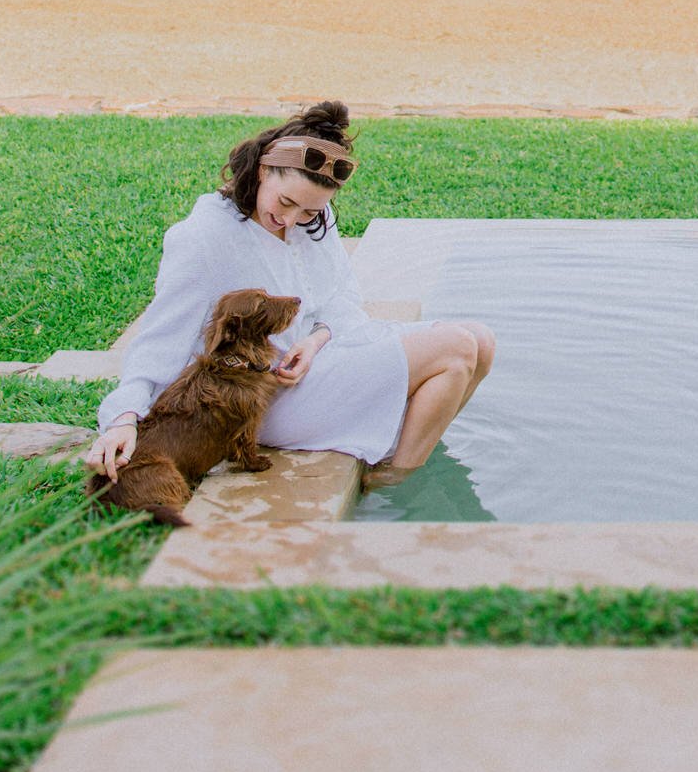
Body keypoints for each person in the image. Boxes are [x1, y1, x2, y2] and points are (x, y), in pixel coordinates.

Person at [83, 101, 493, 492]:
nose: (292, 220)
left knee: (482, 342)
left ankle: (400, 450)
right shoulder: (204, 237)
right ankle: (394, 483)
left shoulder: (315, 218)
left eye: (309, 213)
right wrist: (123, 418)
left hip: (320, 361)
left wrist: (315, 341)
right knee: (455, 349)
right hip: (262, 397)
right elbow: (159, 341)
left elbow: (340, 297)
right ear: (263, 170)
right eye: (286, 202)